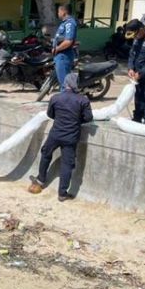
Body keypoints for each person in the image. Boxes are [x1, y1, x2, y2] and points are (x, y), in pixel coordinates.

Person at [29, 73, 93, 201]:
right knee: (67, 164)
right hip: (71, 137)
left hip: (55, 134)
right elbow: (88, 118)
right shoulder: (83, 100)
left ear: (66, 84)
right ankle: (62, 193)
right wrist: (76, 120)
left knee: (46, 153)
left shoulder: (55, 98)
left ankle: (41, 179)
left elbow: (50, 114)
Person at [52, 4, 78, 91]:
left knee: (64, 85)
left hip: (64, 56)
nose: (58, 13)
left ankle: (65, 103)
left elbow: (68, 41)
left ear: (64, 12)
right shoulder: (64, 23)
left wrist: (57, 49)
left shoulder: (69, 24)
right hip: (60, 56)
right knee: (62, 82)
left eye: (59, 11)